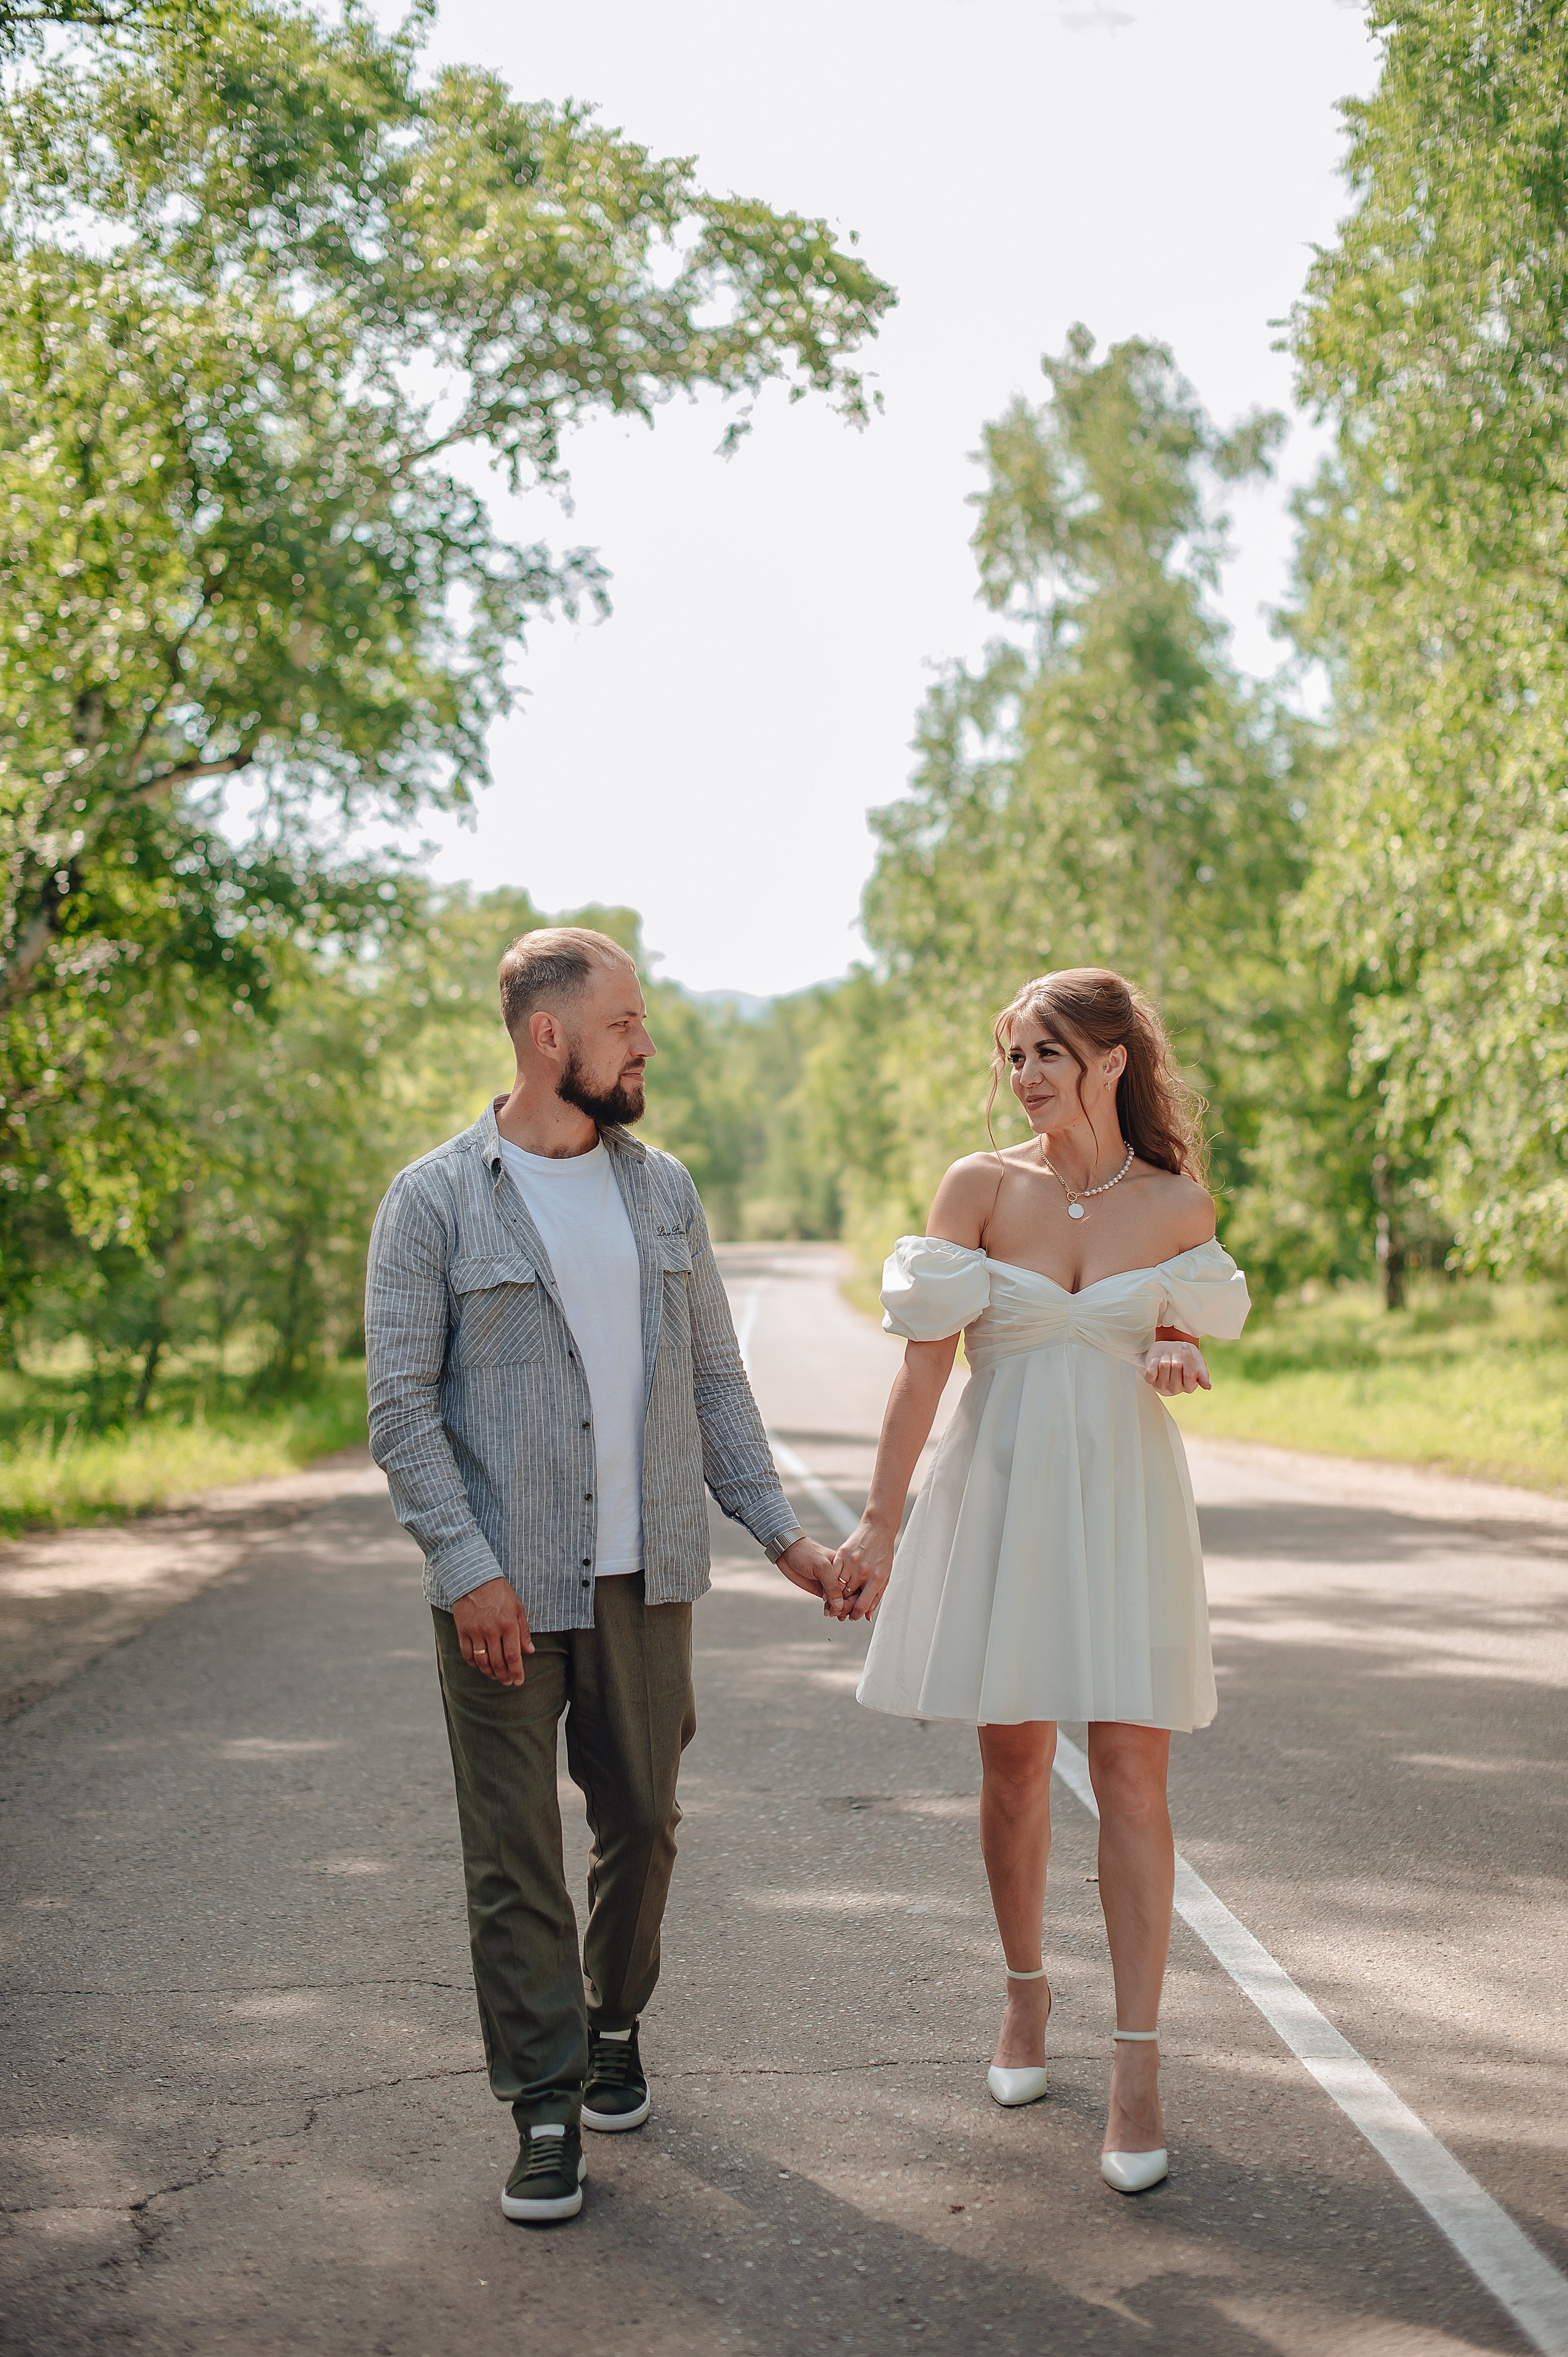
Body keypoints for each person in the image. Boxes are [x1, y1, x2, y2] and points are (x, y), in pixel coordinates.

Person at [364, 927, 840, 2226]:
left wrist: (784, 1538)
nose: (644, 1044)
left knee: (642, 1821)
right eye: (624, 1022)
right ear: (547, 1036)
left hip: (649, 1578)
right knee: (511, 1852)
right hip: (501, 1592)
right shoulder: (434, 1200)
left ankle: (610, 2017)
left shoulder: (663, 1191)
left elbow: (714, 1386)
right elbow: (403, 1409)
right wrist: (466, 1569)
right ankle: (541, 2105)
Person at [832, 967, 1250, 2195]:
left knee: (1131, 1766)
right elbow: (920, 1374)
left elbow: (1180, 1321)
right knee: (1011, 1763)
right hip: (998, 1494)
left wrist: (1170, 1345)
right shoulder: (977, 1186)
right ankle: (1024, 1999)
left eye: (1045, 1054)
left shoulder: (1176, 1203)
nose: (1022, 1077)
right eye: (1012, 1055)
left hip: (1120, 1500)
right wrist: (876, 1529)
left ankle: (1135, 2066)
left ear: (1112, 1060)